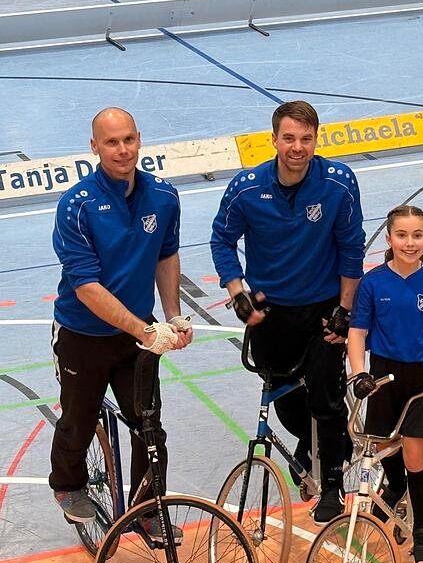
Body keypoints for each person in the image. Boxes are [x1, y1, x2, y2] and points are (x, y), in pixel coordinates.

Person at [210, 100, 365, 524]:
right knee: (288, 405)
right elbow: (221, 240)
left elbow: (352, 249)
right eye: (289, 138)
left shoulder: (338, 182)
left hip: (322, 312)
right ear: (274, 139)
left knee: (325, 397)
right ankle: (311, 443)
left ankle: (333, 487)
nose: (297, 147)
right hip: (271, 314)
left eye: (306, 139)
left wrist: (345, 310)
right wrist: (237, 291)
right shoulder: (245, 188)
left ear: (316, 139)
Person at [50, 108, 192, 536]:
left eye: (128, 139)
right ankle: (67, 485)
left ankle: (147, 509)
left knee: (150, 429)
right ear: (94, 146)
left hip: (138, 334)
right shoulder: (76, 206)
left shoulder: (164, 197)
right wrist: (147, 331)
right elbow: (87, 288)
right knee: (78, 419)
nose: (122, 149)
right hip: (82, 334)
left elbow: (166, 255)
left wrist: (173, 315)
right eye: (111, 142)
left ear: (139, 140)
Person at [347, 205, 423, 563]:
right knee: (384, 445)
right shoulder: (374, 282)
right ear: (390, 238)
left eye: (417, 235)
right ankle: (395, 487)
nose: (410, 243)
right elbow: (358, 332)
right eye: (402, 235)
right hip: (383, 374)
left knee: (413, 453)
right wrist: (360, 373)